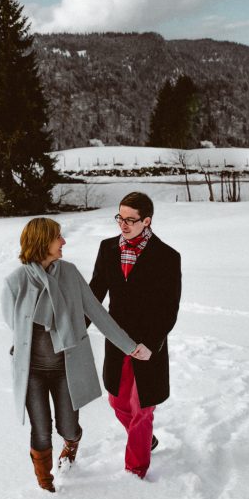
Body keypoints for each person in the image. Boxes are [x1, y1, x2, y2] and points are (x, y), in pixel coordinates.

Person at [1, 217, 151, 492]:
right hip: (32, 371)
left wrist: (130, 346)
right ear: (42, 242)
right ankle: (45, 484)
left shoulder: (69, 274)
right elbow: (14, 323)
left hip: (65, 369)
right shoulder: (16, 282)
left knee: (68, 427)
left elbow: (96, 313)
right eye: (58, 237)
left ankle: (72, 443)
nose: (64, 242)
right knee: (41, 429)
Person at [90, 191, 181, 479]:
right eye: (120, 218)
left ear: (147, 221)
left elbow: (169, 308)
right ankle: (145, 438)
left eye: (131, 220)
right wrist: (77, 331)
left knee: (142, 408)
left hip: (147, 345)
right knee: (117, 401)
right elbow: (94, 295)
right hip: (116, 341)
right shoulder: (107, 249)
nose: (123, 225)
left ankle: (135, 470)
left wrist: (151, 344)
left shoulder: (167, 257)